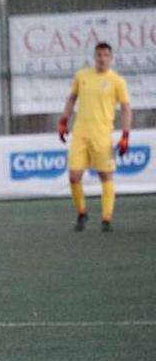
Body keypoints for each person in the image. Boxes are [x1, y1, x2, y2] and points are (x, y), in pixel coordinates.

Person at [60, 41, 132, 232]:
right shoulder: (82, 76)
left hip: (102, 135)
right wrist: (63, 121)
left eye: (105, 55)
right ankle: (82, 213)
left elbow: (125, 108)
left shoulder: (117, 81)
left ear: (111, 58)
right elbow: (72, 98)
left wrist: (125, 135)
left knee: (105, 175)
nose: (102, 59)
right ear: (94, 57)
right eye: (99, 55)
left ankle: (106, 219)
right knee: (74, 176)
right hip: (81, 133)